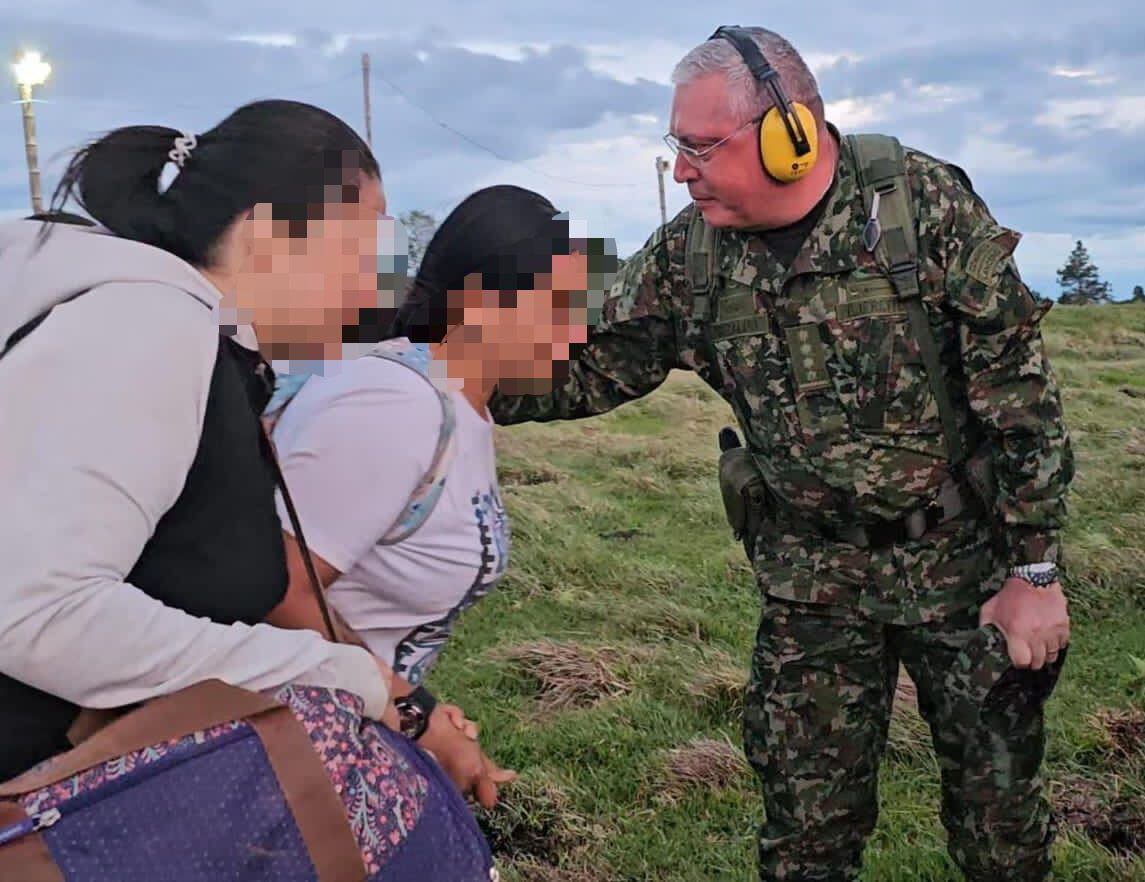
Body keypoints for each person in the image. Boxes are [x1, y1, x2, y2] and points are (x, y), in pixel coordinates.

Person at [487, 26, 1075, 882]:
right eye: (674, 147)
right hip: (811, 581)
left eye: (697, 147)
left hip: (965, 568)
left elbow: (1020, 400)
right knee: (803, 834)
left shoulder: (918, 209)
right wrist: (445, 380)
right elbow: (590, 368)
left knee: (999, 828)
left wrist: (1034, 574)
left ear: (788, 136)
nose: (680, 171)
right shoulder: (689, 254)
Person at [0, 99, 496, 879]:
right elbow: (38, 611)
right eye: (364, 245)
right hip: (46, 828)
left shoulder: (208, 347)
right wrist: (345, 677)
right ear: (268, 234)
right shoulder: (145, 326)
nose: (376, 281)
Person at [255, 183, 614, 808]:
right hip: (274, 750)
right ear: (479, 301)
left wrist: (420, 713)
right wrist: (413, 715)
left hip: (345, 727)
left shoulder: (461, 407)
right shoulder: (395, 405)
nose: (579, 328)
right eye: (559, 303)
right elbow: (278, 589)